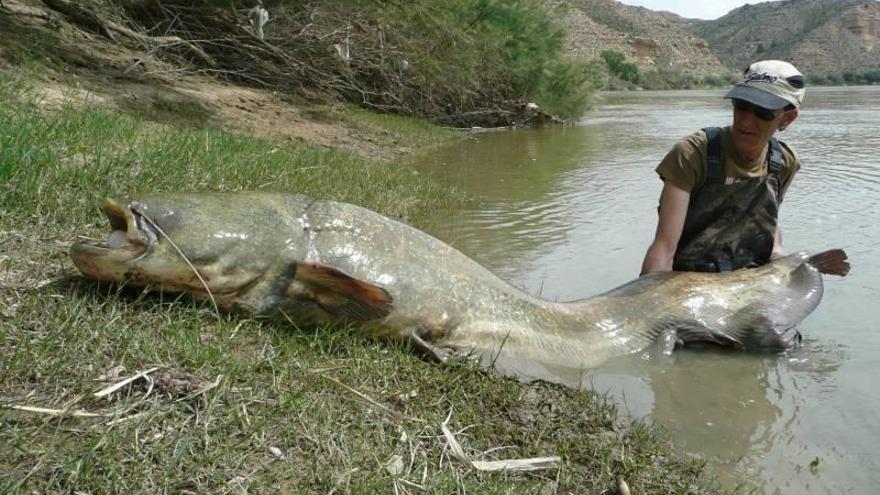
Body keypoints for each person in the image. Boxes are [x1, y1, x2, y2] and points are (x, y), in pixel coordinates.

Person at [640, 60, 806, 275]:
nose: (746, 121)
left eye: (763, 112)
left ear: (787, 119)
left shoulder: (784, 161)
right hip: (689, 281)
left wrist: (778, 254)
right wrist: (648, 300)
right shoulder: (693, 153)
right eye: (742, 105)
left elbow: (767, 221)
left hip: (750, 281)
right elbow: (664, 247)